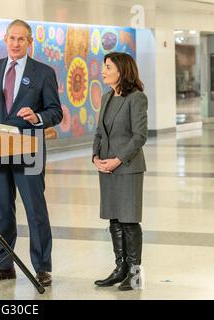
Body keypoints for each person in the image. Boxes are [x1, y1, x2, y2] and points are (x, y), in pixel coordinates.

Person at [0, 19, 63, 287]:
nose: (15, 44)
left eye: (21, 39)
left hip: (29, 150)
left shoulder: (43, 72)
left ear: (29, 42)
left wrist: (37, 116)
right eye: (11, 38)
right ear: (5, 39)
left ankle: (42, 267)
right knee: (2, 210)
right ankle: (2, 266)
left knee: (35, 210)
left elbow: (55, 111)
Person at [92, 52, 148, 291]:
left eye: (107, 67)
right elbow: (99, 132)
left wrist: (117, 159)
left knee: (129, 219)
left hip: (127, 167)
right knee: (114, 217)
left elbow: (139, 136)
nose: (103, 71)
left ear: (122, 71)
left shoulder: (136, 98)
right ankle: (120, 269)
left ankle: (134, 274)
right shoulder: (106, 97)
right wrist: (95, 157)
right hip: (106, 168)